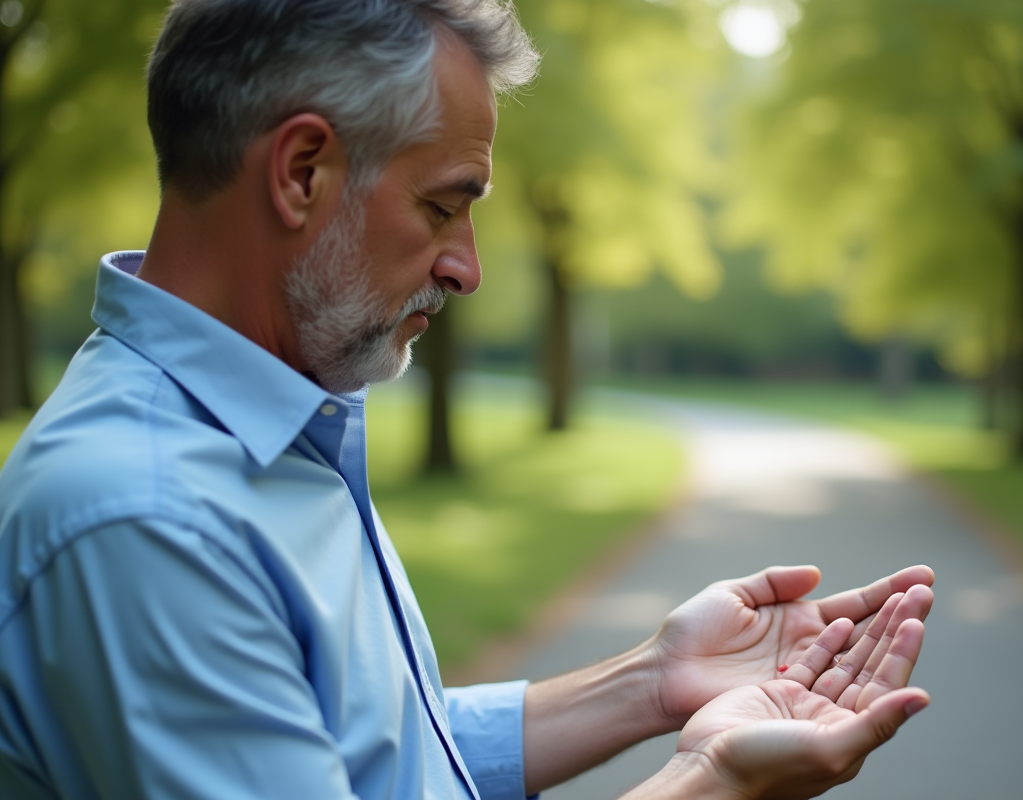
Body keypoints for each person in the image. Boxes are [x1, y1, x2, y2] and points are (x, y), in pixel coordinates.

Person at [0, 1, 935, 798]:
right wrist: (712, 778)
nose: (467, 269)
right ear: (301, 172)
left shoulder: (263, 427)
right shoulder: (150, 519)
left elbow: (377, 752)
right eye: (444, 207)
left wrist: (651, 681)